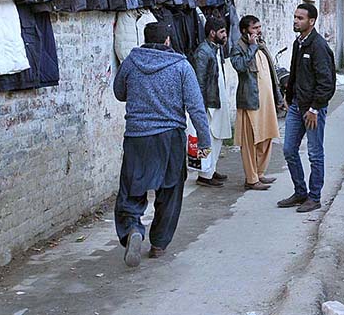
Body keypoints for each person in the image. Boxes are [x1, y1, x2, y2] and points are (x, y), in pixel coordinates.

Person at [113, 22, 210, 267]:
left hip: (137, 137)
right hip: (170, 138)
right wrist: (204, 142)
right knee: (170, 191)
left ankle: (133, 229)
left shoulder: (131, 62)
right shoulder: (180, 65)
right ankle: (158, 243)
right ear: (168, 40)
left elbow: (119, 92)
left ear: (145, 40)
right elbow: (196, 108)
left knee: (131, 189)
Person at [278, 3, 337, 213]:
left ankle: (314, 197)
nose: (295, 21)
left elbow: (327, 82)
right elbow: (294, 72)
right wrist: (288, 95)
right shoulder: (299, 43)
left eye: (300, 18)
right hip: (296, 106)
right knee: (288, 150)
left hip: (313, 109)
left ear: (311, 21)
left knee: (314, 153)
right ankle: (300, 192)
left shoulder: (318, 46)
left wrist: (314, 109)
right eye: (295, 17)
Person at [230, 15, 285, 191]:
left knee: (267, 136)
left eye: (259, 27)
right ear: (245, 30)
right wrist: (252, 48)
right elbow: (240, 66)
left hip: (266, 101)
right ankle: (251, 179)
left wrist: (278, 97)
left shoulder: (262, 46)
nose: (258, 31)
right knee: (249, 141)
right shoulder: (238, 48)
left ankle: (260, 173)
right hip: (250, 101)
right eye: (255, 28)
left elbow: (272, 74)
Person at [192, 16, 231, 188]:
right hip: (208, 103)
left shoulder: (216, 49)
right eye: (222, 32)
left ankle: (211, 169)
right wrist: (200, 106)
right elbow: (199, 81)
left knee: (217, 137)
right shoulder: (202, 52)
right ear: (212, 33)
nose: (225, 36)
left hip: (218, 98)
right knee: (207, 137)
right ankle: (204, 174)